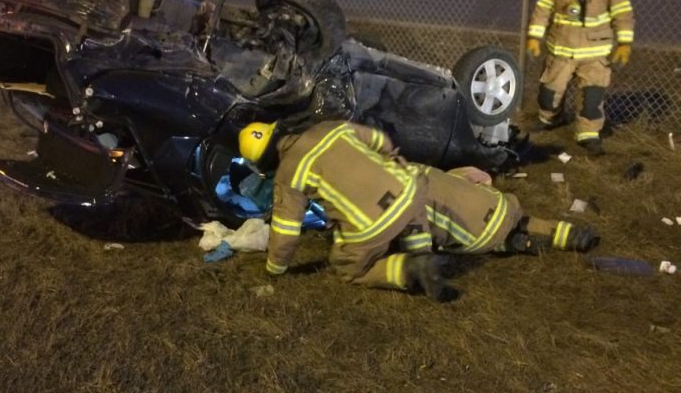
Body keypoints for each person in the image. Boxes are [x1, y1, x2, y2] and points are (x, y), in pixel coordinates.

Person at [238, 119, 598, 299]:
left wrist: (274, 270)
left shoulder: (288, 175)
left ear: (267, 161)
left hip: (372, 224)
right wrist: (393, 166)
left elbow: (286, 232)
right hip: (411, 189)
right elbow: (380, 140)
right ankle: (566, 232)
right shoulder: (329, 128)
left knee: (347, 266)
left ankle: (410, 270)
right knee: (417, 222)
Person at [526, 0, 635, 156]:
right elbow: (544, 7)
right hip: (561, 50)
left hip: (595, 53)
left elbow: (623, 15)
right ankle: (549, 119)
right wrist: (534, 36)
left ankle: (588, 134)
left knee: (592, 97)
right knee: (549, 93)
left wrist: (624, 43)